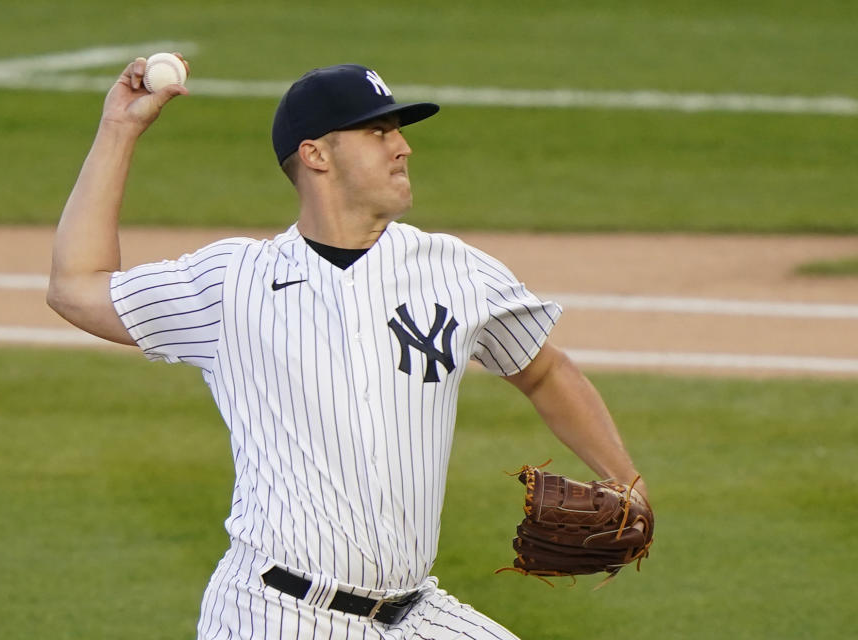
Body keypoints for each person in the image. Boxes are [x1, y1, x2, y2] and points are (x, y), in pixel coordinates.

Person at [48, 56, 649, 640]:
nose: (402, 146)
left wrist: (626, 482)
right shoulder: (232, 285)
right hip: (277, 616)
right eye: (377, 131)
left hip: (415, 612)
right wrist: (119, 128)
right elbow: (76, 288)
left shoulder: (459, 272)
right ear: (315, 155)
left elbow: (544, 371)